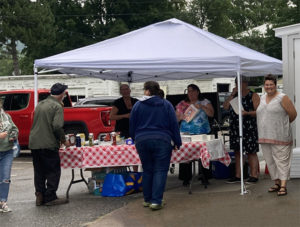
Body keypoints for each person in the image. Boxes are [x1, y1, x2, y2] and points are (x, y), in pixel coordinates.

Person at [129, 81, 182, 210]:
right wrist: (177, 142)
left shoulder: (138, 105)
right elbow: (174, 124)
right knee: (160, 171)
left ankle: (147, 200)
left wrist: (135, 138)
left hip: (142, 140)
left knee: (147, 170)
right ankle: (156, 201)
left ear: (146, 90)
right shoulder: (166, 104)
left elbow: (132, 124)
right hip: (162, 140)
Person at [29, 83, 70, 206]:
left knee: (39, 171)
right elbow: (57, 126)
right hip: (48, 143)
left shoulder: (41, 104)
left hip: (35, 142)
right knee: (53, 170)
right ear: (62, 94)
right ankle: (50, 197)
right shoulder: (57, 106)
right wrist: (64, 140)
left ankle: (40, 195)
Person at [257, 74, 297, 196]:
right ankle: (276, 182)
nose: (269, 87)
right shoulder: (262, 98)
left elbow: (293, 114)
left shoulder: (282, 98)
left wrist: (282, 124)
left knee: (282, 161)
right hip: (265, 135)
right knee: (270, 161)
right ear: (264, 85)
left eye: (271, 84)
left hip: (280, 135)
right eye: (267, 84)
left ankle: (283, 185)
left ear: (275, 85)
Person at [175, 84, 214, 186]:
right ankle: (186, 178)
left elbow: (211, 114)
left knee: (204, 154)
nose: (190, 93)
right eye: (188, 91)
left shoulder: (205, 102)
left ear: (197, 91)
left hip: (202, 132)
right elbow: (175, 118)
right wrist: (181, 117)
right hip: (186, 132)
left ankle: (204, 176)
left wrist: (202, 106)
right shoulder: (182, 104)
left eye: (192, 91)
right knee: (186, 154)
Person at [224, 77, 260, 184]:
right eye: (236, 83)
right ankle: (238, 175)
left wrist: (247, 113)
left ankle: (254, 175)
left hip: (249, 127)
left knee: (251, 151)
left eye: (240, 82)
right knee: (237, 151)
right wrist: (231, 95)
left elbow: (259, 112)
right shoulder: (234, 96)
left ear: (245, 83)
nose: (237, 85)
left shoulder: (253, 95)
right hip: (235, 127)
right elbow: (225, 107)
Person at [0, 101, 18, 213]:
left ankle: (3, 202)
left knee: (5, 178)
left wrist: (13, 136)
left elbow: (15, 129)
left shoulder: (6, 116)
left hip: (7, 151)